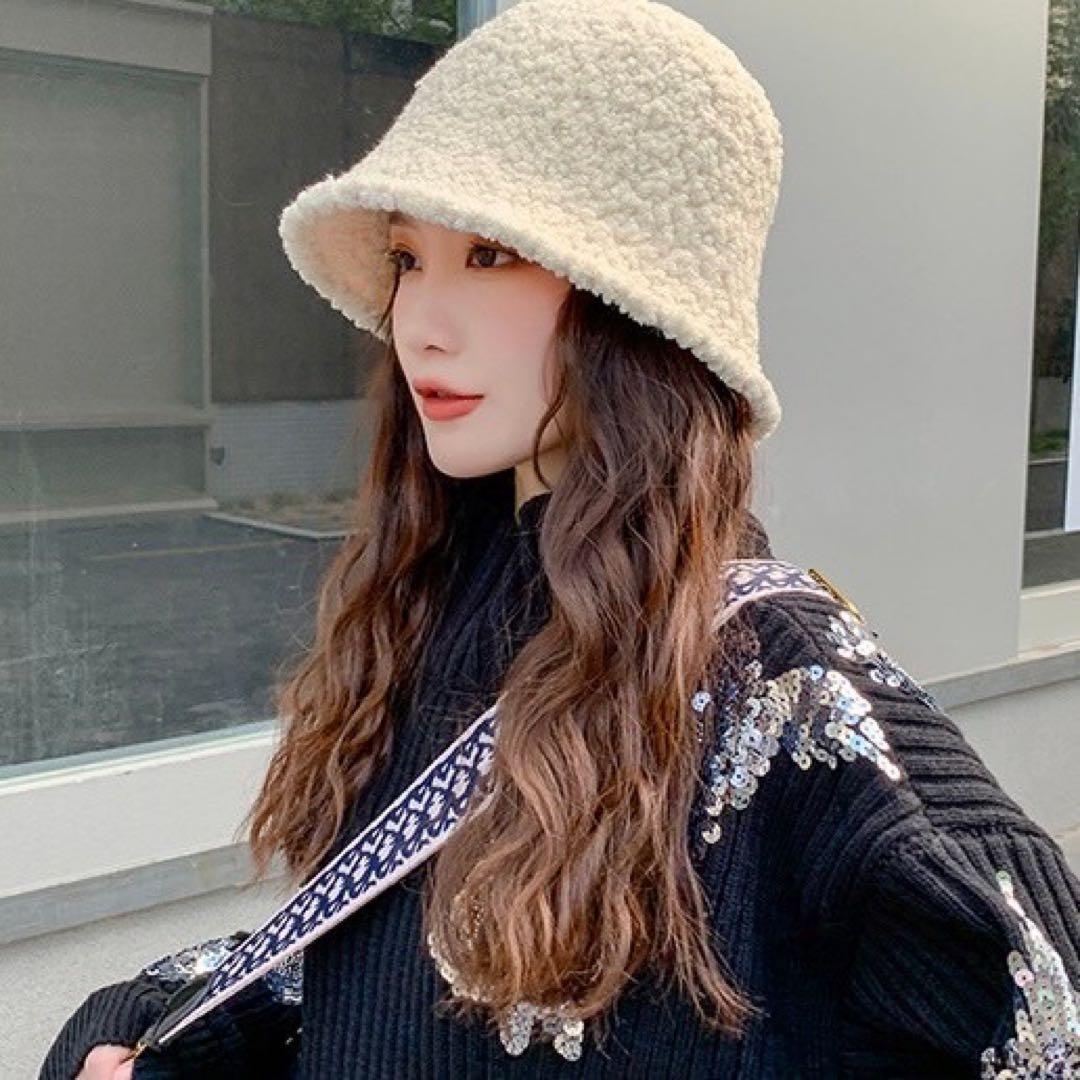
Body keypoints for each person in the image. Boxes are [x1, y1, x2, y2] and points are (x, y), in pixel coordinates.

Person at [41, 0, 1080, 1077]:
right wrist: (161, 1028)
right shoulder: (425, 609)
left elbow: (1046, 1016)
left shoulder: (779, 684)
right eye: (408, 259)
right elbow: (392, 971)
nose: (420, 322)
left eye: (490, 255)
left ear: (638, 307)